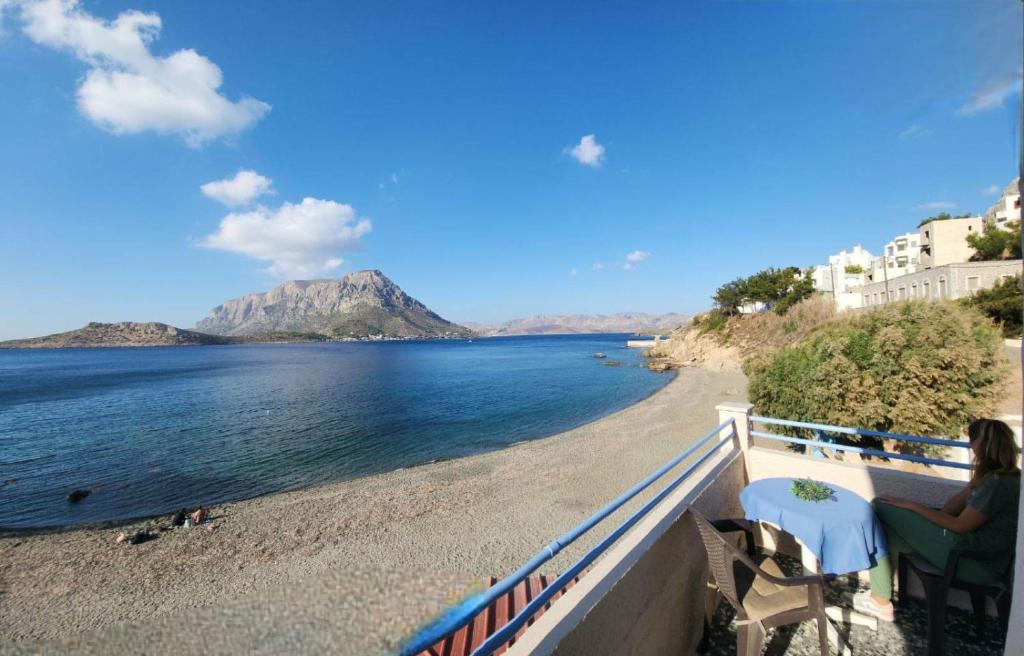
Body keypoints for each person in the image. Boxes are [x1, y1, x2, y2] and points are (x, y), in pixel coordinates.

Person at [853, 418, 1020, 621]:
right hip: (972, 556)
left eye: (973, 441)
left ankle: (879, 601)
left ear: (984, 445)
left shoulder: (998, 484)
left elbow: (959, 525)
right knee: (883, 528)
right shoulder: (996, 478)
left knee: (880, 505)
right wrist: (972, 485)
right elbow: (950, 510)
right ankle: (879, 601)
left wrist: (912, 505)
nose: (971, 447)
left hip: (973, 562)